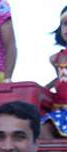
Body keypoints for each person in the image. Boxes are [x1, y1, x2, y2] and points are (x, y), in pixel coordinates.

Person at [42, 5, 67, 139]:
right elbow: (62, 78)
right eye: (65, 24)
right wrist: (44, 88)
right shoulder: (55, 58)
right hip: (61, 108)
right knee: (42, 127)